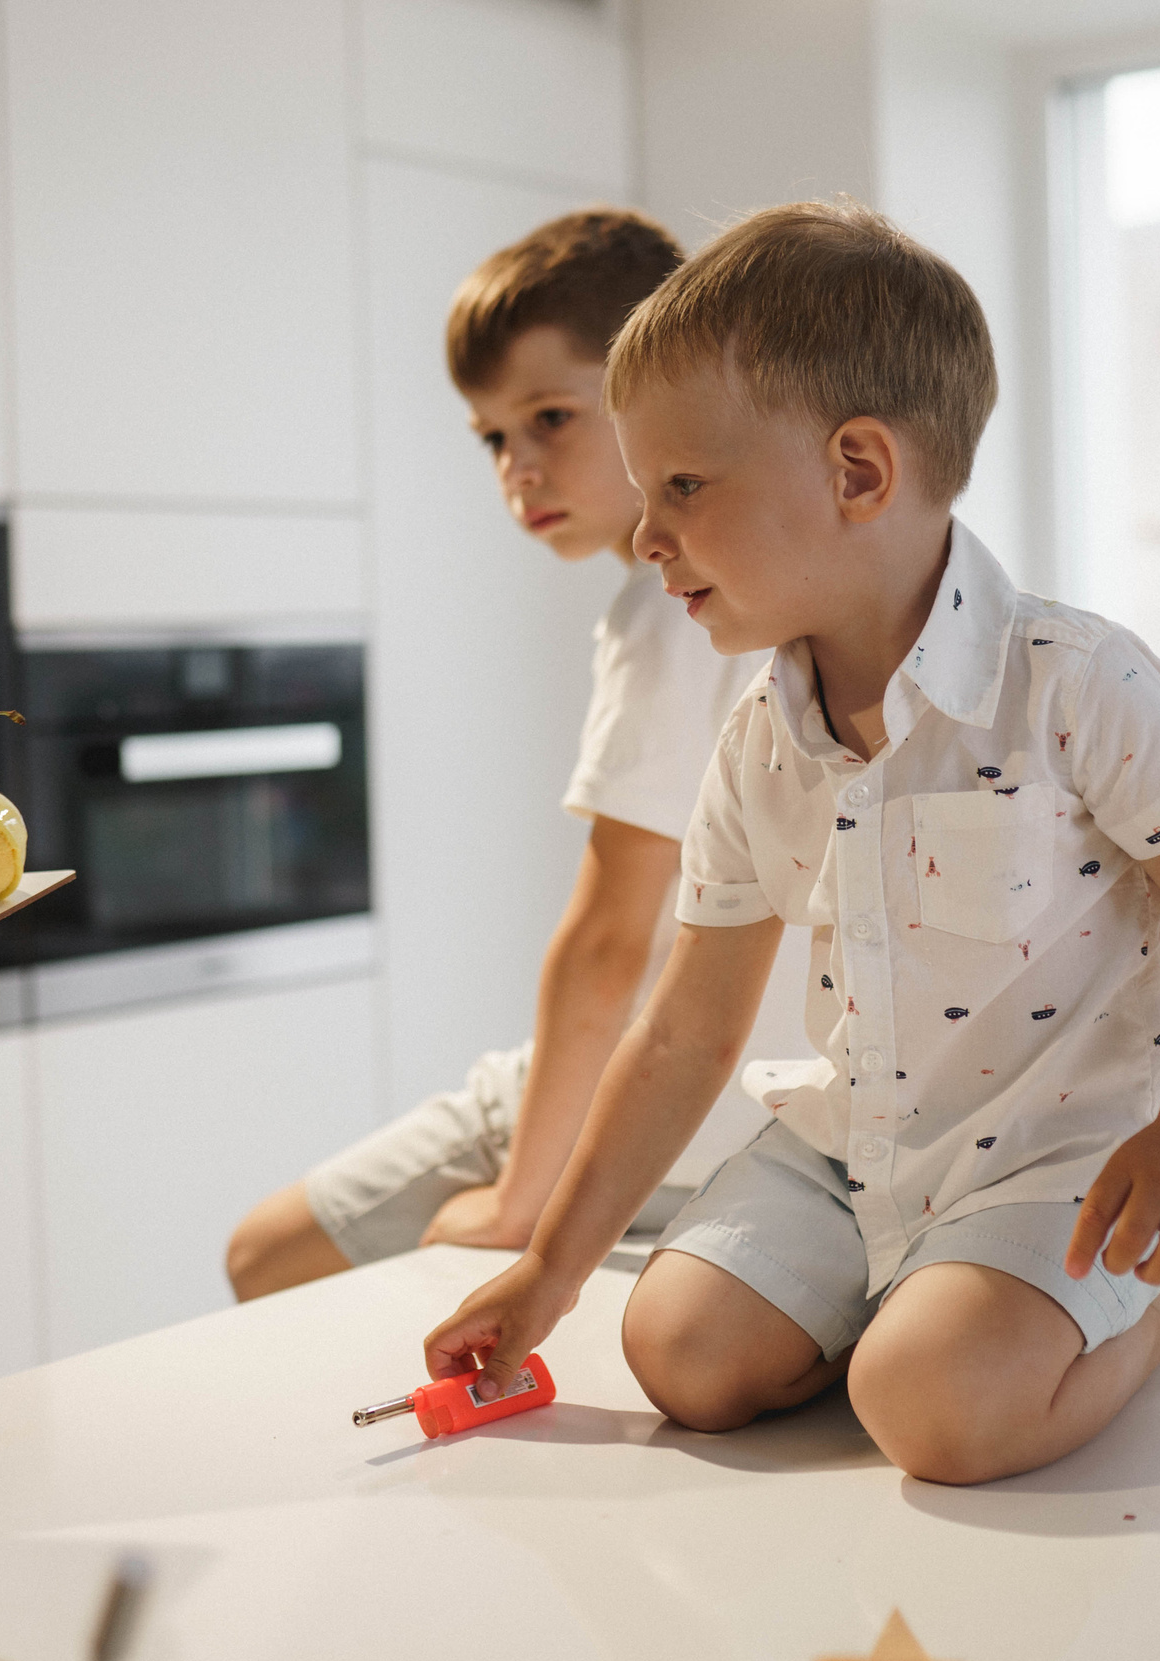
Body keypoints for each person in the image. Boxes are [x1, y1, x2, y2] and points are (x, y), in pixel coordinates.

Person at [420, 202, 1160, 1486]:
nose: (645, 531)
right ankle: (928, 1312)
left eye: (682, 485)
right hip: (855, 1150)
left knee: (935, 1410)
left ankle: (1135, 1316)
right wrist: (550, 1266)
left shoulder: (1076, 684)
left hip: (1057, 1158)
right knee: (681, 1357)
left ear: (857, 472)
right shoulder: (756, 740)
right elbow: (682, 1031)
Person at [226, 208, 797, 1298]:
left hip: (630, 1101)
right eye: (494, 436)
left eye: (549, 418)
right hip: (705, 1100)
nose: (518, 467)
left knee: (262, 1254)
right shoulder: (762, 588)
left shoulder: (664, 612)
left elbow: (607, 937)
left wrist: (518, 1204)